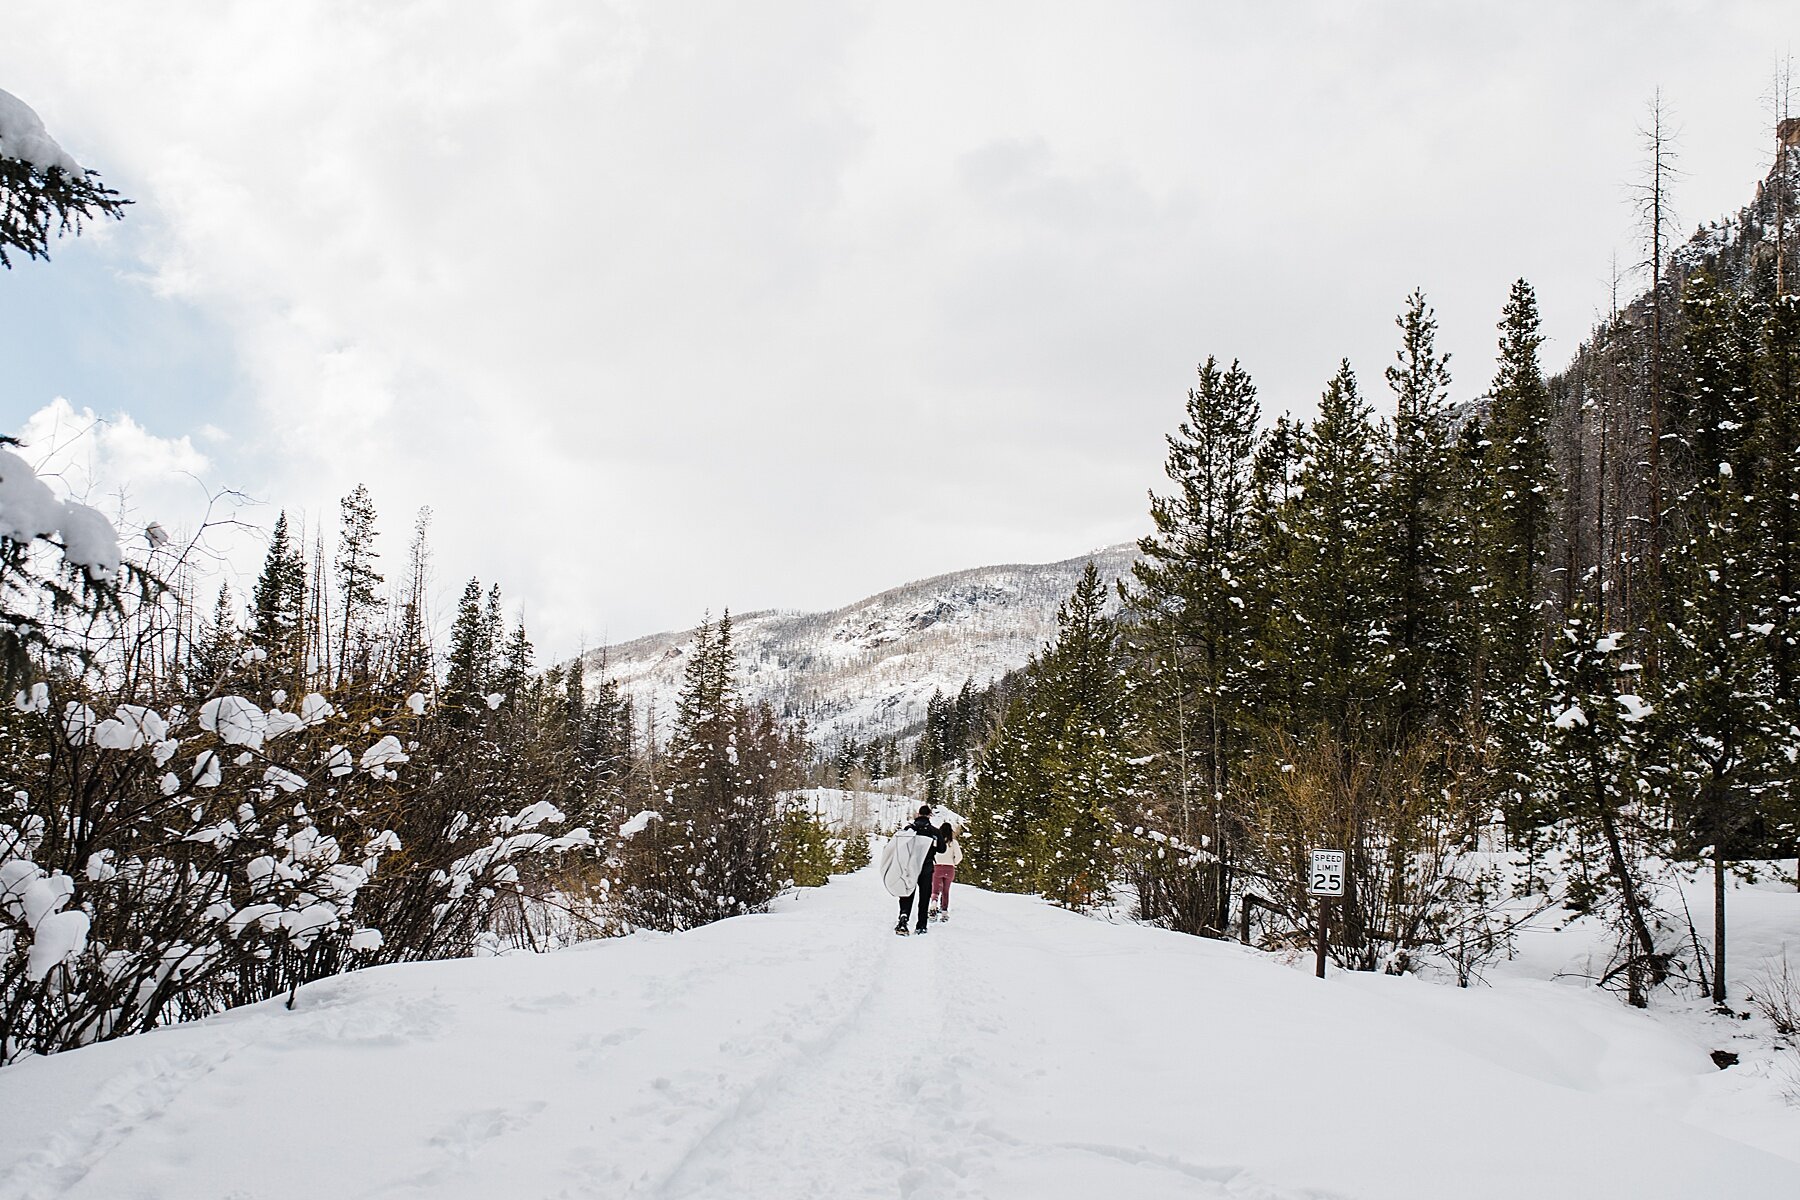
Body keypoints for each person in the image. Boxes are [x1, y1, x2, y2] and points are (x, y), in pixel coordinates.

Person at [885, 804, 939, 935]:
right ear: (929, 815)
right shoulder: (934, 831)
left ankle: (903, 918)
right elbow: (942, 849)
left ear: (918, 814)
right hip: (926, 867)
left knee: (907, 892)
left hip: (910, 866)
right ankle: (921, 925)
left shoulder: (909, 829)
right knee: (924, 896)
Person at [929, 822, 960, 921]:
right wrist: (953, 862)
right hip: (949, 868)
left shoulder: (936, 841)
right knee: (945, 891)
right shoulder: (953, 843)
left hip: (937, 867)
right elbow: (959, 856)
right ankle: (944, 912)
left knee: (935, 890)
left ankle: (934, 904)